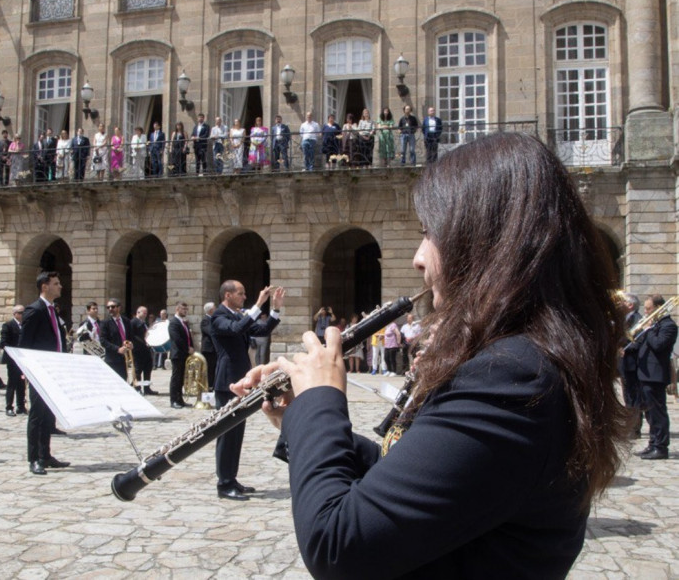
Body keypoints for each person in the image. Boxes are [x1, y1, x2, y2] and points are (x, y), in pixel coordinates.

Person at [234, 132, 625, 578]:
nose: (419, 258)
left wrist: (321, 404)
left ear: (488, 240)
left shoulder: (513, 378)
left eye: (431, 233)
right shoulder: (520, 364)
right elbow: (418, 478)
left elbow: (339, 544)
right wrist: (303, 422)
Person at [211, 281, 285, 500]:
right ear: (227, 295)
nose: (244, 297)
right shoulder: (218, 317)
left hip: (242, 381)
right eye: (240, 293)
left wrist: (275, 309)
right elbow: (236, 329)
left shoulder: (237, 315)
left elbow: (261, 329)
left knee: (237, 433)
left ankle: (231, 479)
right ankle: (224, 484)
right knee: (226, 432)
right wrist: (259, 303)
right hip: (227, 381)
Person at [19, 271, 71, 475]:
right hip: (39, 370)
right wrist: (27, 370)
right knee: (37, 416)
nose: (60, 286)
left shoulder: (52, 310)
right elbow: (24, 344)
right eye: (56, 283)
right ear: (44, 287)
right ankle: (34, 459)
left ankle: (45, 455)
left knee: (48, 415)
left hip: (54, 369)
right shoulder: (34, 310)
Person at [625, 294, 678, 460]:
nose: (646, 312)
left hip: (656, 375)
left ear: (658, 307)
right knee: (650, 413)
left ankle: (661, 447)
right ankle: (653, 443)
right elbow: (641, 344)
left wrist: (648, 329)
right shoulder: (655, 325)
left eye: (649, 309)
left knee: (658, 412)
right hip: (645, 374)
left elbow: (658, 345)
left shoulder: (668, 326)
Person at [618, 293, 643, 438]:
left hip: (632, 363)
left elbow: (638, 341)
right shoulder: (626, 318)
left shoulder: (637, 319)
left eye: (624, 302)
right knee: (628, 395)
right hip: (625, 363)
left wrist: (623, 348)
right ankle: (630, 425)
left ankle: (635, 428)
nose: (620, 304)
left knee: (634, 396)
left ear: (630, 305)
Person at [0, 305, 26, 416]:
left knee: (22, 383)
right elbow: (3, 342)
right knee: (12, 383)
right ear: (14, 313)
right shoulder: (8, 325)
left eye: (23, 313)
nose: (22, 315)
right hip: (12, 359)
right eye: (20, 312)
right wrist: (13, 352)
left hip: (23, 359)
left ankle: (21, 406)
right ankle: (9, 407)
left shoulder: (25, 325)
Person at [99, 299, 133, 380]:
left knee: (124, 381)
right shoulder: (105, 323)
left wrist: (131, 344)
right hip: (112, 359)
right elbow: (103, 341)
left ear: (119, 308)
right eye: (108, 307)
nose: (110, 309)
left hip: (125, 358)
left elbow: (130, 336)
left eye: (113, 307)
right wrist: (118, 349)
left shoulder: (126, 321)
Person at [168, 301, 193, 409]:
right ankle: (173, 400)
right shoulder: (173, 322)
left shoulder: (184, 322)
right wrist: (187, 348)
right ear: (177, 309)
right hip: (178, 354)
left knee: (182, 378)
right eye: (183, 309)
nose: (185, 311)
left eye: (186, 309)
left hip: (184, 354)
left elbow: (188, 337)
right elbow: (177, 339)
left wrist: (191, 346)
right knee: (176, 378)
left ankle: (180, 399)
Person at [131, 305, 156, 395]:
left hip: (146, 349)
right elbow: (132, 336)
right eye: (144, 313)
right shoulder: (133, 322)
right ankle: (136, 387)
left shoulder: (143, 323)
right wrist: (143, 341)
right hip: (138, 350)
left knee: (147, 369)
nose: (145, 314)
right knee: (138, 370)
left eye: (146, 313)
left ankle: (147, 388)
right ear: (138, 312)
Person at [201, 302, 217, 390]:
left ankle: (212, 385)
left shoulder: (213, 319)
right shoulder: (205, 320)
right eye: (215, 308)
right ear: (211, 310)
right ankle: (209, 386)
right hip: (208, 350)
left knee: (214, 369)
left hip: (214, 349)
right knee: (209, 369)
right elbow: (211, 332)